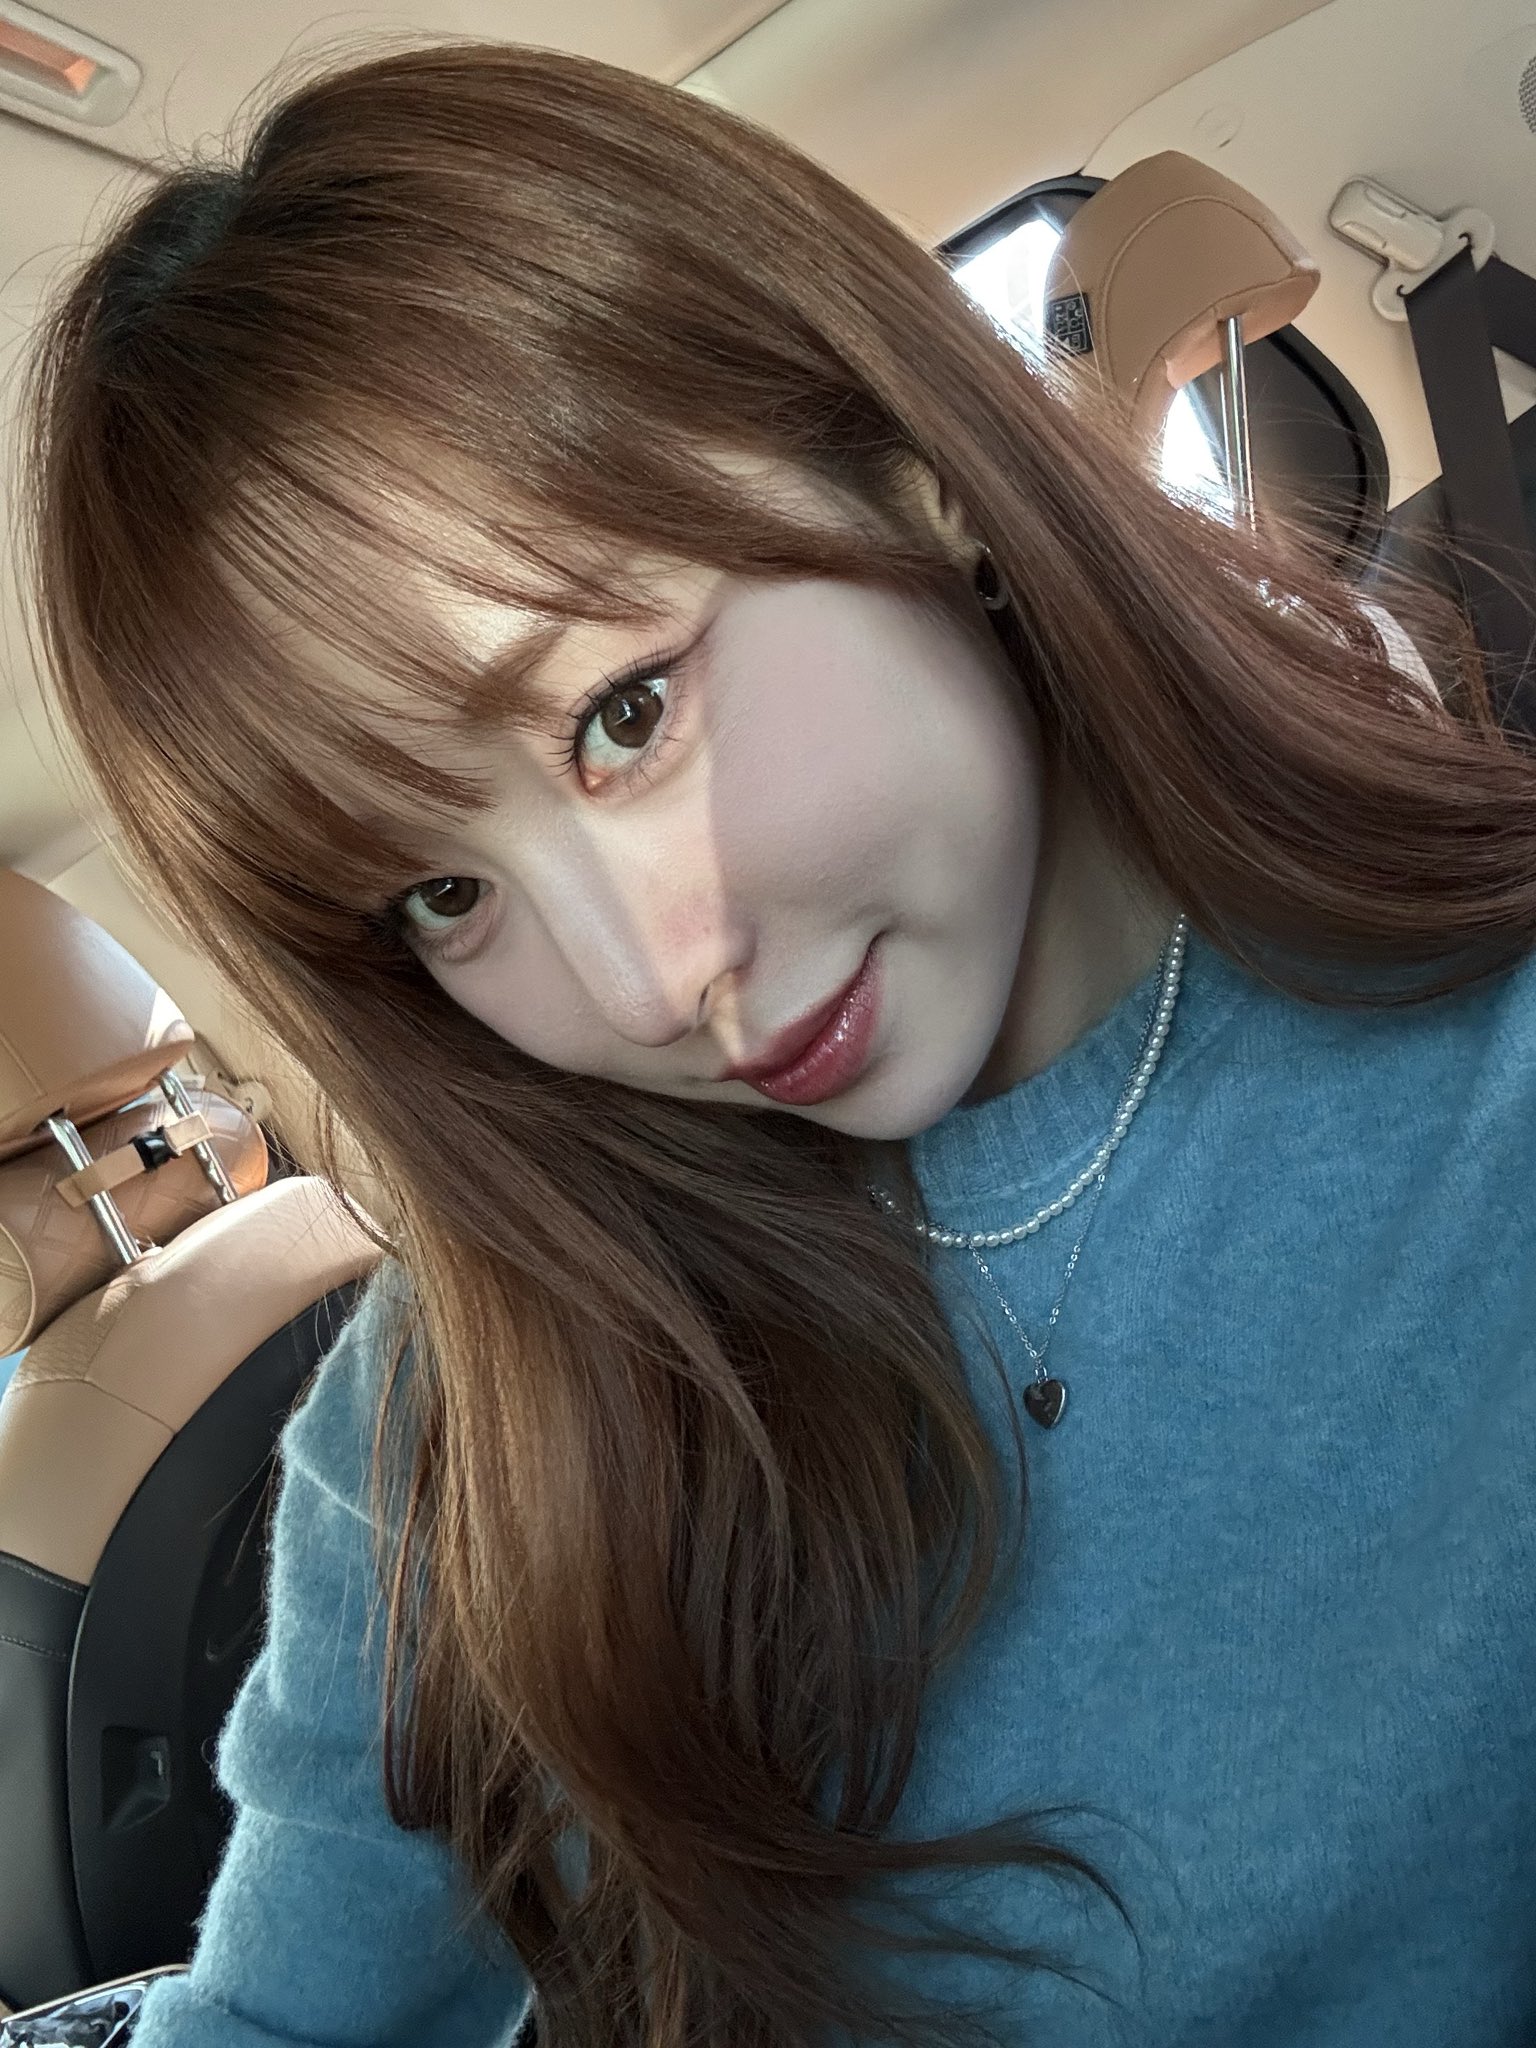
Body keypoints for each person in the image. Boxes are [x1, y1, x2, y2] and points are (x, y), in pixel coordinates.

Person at [20, 40, 1536, 2048]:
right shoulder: (467, 1406)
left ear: (911, 461)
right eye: (441, 893)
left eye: (625, 713)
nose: (647, 984)